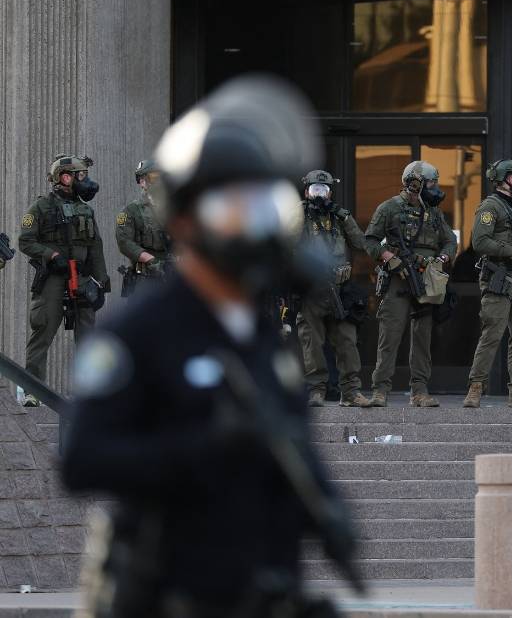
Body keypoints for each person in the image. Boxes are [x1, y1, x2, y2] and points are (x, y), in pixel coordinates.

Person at [60, 76, 359, 618]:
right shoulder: (140, 331)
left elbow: (288, 438)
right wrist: (199, 450)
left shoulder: (259, 332)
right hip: (172, 593)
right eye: (232, 207)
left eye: (262, 204)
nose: (252, 223)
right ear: (186, 218)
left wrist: (327, 506)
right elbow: (82, 459)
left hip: (262, 590)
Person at [364, 160, 457, 408]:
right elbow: (370, 241)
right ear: (415, 183)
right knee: (390, 336)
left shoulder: (435, 214)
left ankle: (419, 390)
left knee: (422, 337)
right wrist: (390, 259)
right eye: (431, 183)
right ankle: (380, 390)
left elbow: (450, 241)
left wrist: (442, 258)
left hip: (425, 280)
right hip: (398, 279)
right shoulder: (390, 208)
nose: (436, 188)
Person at [19, 154, 109, 405]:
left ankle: (87, 395)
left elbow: (95, 247)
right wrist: (51, 255)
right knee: (43, 328)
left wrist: (101, 282)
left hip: (81, 277)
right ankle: (32, 390)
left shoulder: (86, 209)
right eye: (81, 175)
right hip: (53, 278)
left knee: (88, 335)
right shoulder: (41, 207)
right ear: (65, 177)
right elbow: (25, 241)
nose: (86, 181)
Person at [463, 159, 512, 409]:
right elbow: (479, 241)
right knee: (492, 334)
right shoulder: (490, 207)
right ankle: (476, 387)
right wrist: (511, 251)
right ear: (502, 179)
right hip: (500, 279)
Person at [295, 169, 370, 408]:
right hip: (312, 289)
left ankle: (351, 392)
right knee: (312, 343)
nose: (319, 195)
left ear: (330, 193)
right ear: (307, 191)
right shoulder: (297, 215)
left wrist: (345, 217)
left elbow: (361, 243)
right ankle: (316, 390)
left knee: (347, 341)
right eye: (315, 190)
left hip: (340, 289)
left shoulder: (339, 217)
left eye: (323, 190)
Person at [115, 159, 172, 296]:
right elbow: (124, 242)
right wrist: (151, 260)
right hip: (147, 277)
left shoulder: (174, 208)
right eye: (153, 177)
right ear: (142, 182)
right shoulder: (131, 210)